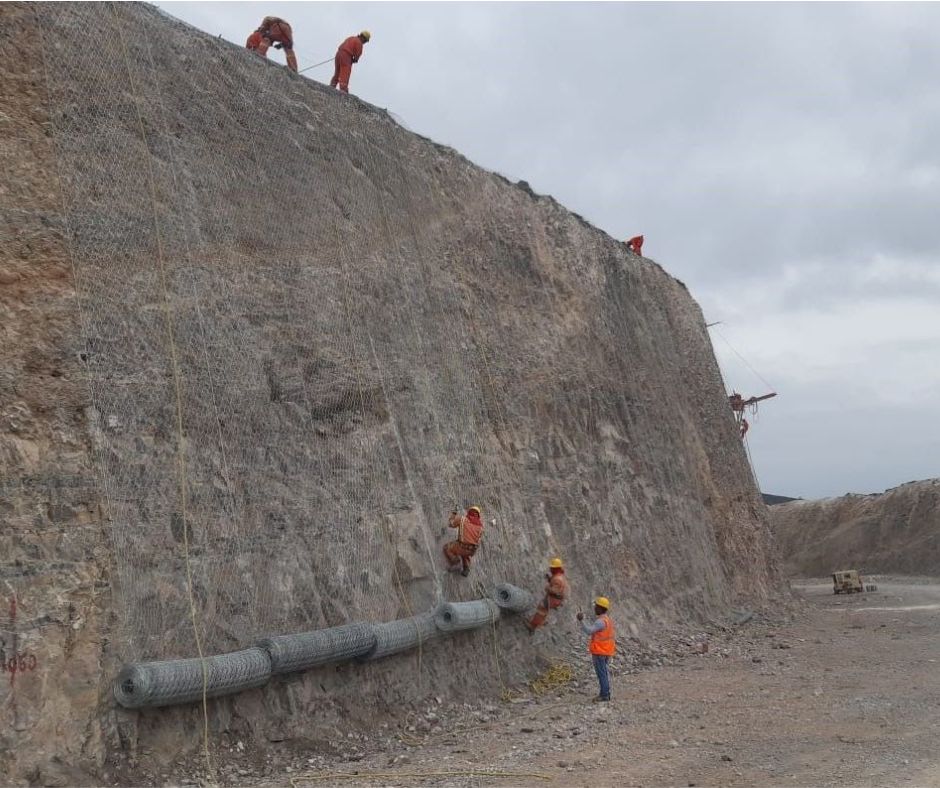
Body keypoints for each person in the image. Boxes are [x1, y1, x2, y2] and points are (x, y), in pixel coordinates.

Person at [577, 596, 616, 702]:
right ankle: (605, 693)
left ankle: (604, 695)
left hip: (600, 651)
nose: (594, 608)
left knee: (601, 673)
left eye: (596, 606)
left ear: (600, 608)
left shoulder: (600, 622)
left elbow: (589, 631)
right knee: (604, 672)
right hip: (606, 651)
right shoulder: (607, 620)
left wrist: (581, 620)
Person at [527, 558, 569, 632]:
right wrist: (549, 579)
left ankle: (532, 626)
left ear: (556, 568)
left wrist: (547, 588)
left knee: (541, 610)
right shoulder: (559, 575)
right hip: (555, 598)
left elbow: (554, 590)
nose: (550, 569)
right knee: (544, 611)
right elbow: (556, 584)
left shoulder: (558, 579)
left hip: (553, 599)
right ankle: (538, 622)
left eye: (552, 568)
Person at [443, 505, 484, 577]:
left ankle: (456, 562)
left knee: (447, 547)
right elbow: (477, 540)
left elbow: (451, 524)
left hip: (461, 547)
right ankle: (466, 568)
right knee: (466, 553)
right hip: (472, 551)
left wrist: (454, 514)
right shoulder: (480, 527)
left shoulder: (463, 519)